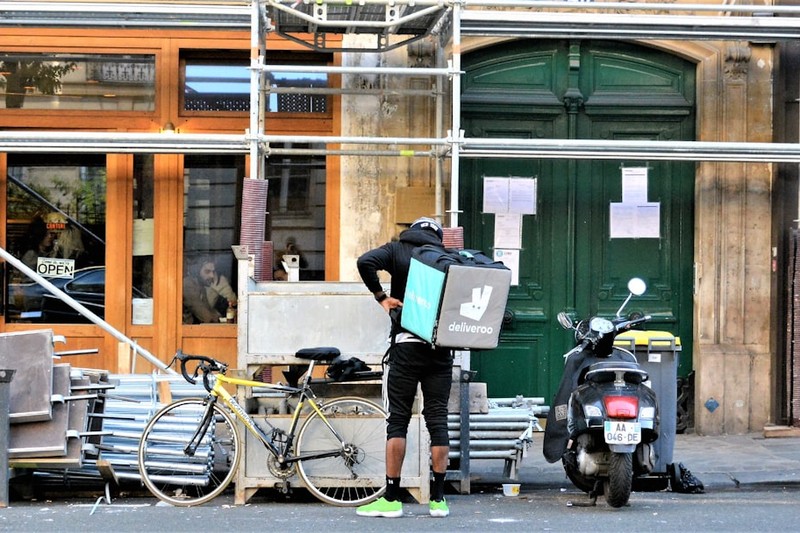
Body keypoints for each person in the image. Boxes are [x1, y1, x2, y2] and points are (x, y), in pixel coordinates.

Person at [355, 216, 453, 519]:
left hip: (406, 345)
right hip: (441, 349)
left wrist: (382, 297)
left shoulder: (398, 250)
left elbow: (364, 262)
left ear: (412, 231)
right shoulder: (446, 259)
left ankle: (392, 498)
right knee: (437, 418)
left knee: (397, 420)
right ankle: (438, 499)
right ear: (437, 236)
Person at [182, 256, 236, 324]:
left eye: (213, 272)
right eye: (207, 272)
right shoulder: (187, 284)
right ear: (197, 272)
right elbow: (201, 311)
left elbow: (208, 309)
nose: (212, 276)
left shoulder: (201, 286)